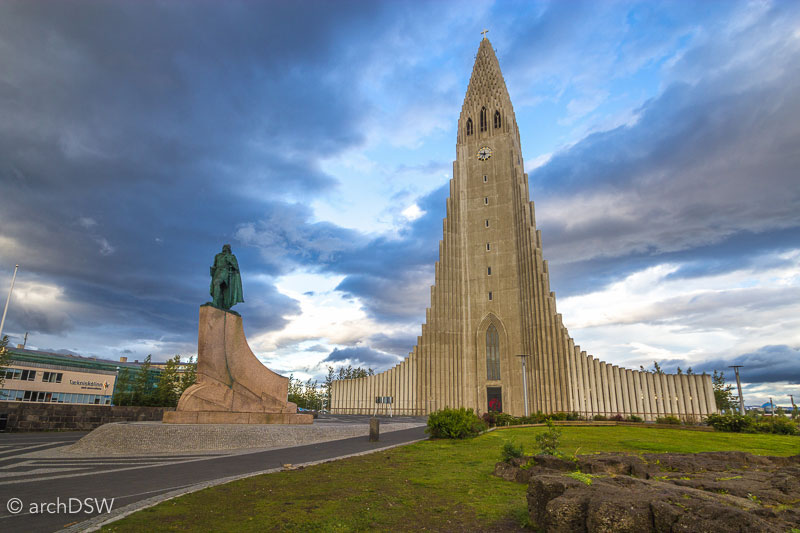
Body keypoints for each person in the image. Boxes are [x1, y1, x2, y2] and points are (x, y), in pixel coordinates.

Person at [210, 244, 244, 310]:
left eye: (226, 247)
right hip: (217, 272)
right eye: (224, 247)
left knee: (217, 282)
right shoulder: (217, 256)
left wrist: (230, 261)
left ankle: (215, 302)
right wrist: (212, 270)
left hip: (225, 272)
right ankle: (221, 304)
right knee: (219, 289)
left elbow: (236, 267)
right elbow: (214, 265)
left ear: (229, 249)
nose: (224, 248)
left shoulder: (231, 256)